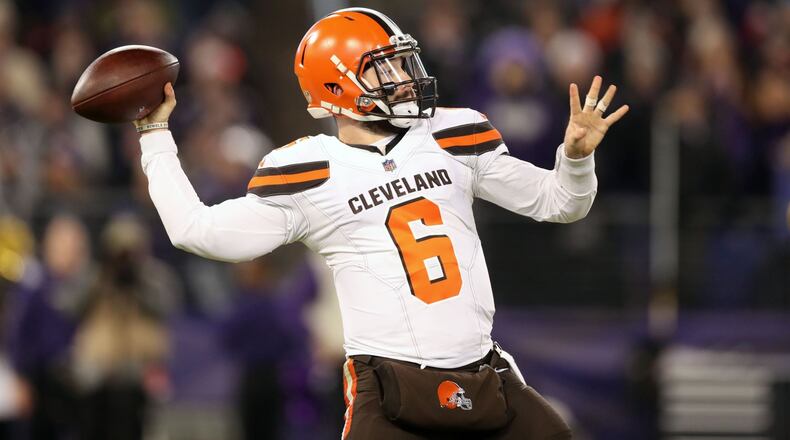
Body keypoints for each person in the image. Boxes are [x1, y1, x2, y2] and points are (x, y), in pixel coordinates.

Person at [132, 7, 628, 439]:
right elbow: (195, 230)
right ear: (336, 86)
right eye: (382, 67)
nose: (403, 76)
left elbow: (561, 202)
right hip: (390, 388)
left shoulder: (451, 133)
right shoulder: (311, 170)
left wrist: (575, 157)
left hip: (485, 373)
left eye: (400, 61)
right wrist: (155, 135)